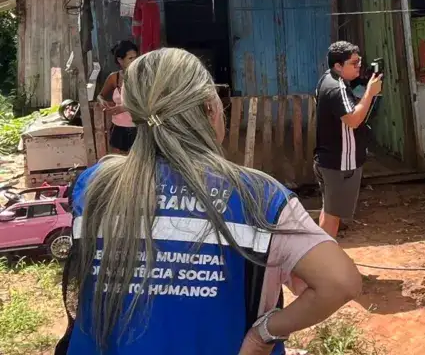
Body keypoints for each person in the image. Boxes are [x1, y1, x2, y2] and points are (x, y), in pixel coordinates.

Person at [58, 48, 362, 355]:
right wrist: (264, 334)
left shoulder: (94, 185)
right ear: (209, 108)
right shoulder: (260, 195)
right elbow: (341, 282)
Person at [314, 41, 382, 238]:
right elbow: (353, 120)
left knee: (329, 211)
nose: (359, 66)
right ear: (338, 65)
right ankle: (325, 256)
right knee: (333, 218)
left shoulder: (327, 79)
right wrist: (370, 93)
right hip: (341, 164)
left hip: (329, 160)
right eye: (353, 63)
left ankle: (322, 252)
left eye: (359, 61)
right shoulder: (337, 88)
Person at [97, 40, 139, 154]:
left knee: (137, 161)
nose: (135, 61)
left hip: (139, 128)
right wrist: (102, 102)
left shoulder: (142, 76)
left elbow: (148, 101)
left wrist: (125, 108)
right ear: (120, 60)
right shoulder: (114, 78)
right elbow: (100, 96)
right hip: (118, 128)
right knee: (119, 161)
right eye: (130, 58)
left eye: (136, 57)